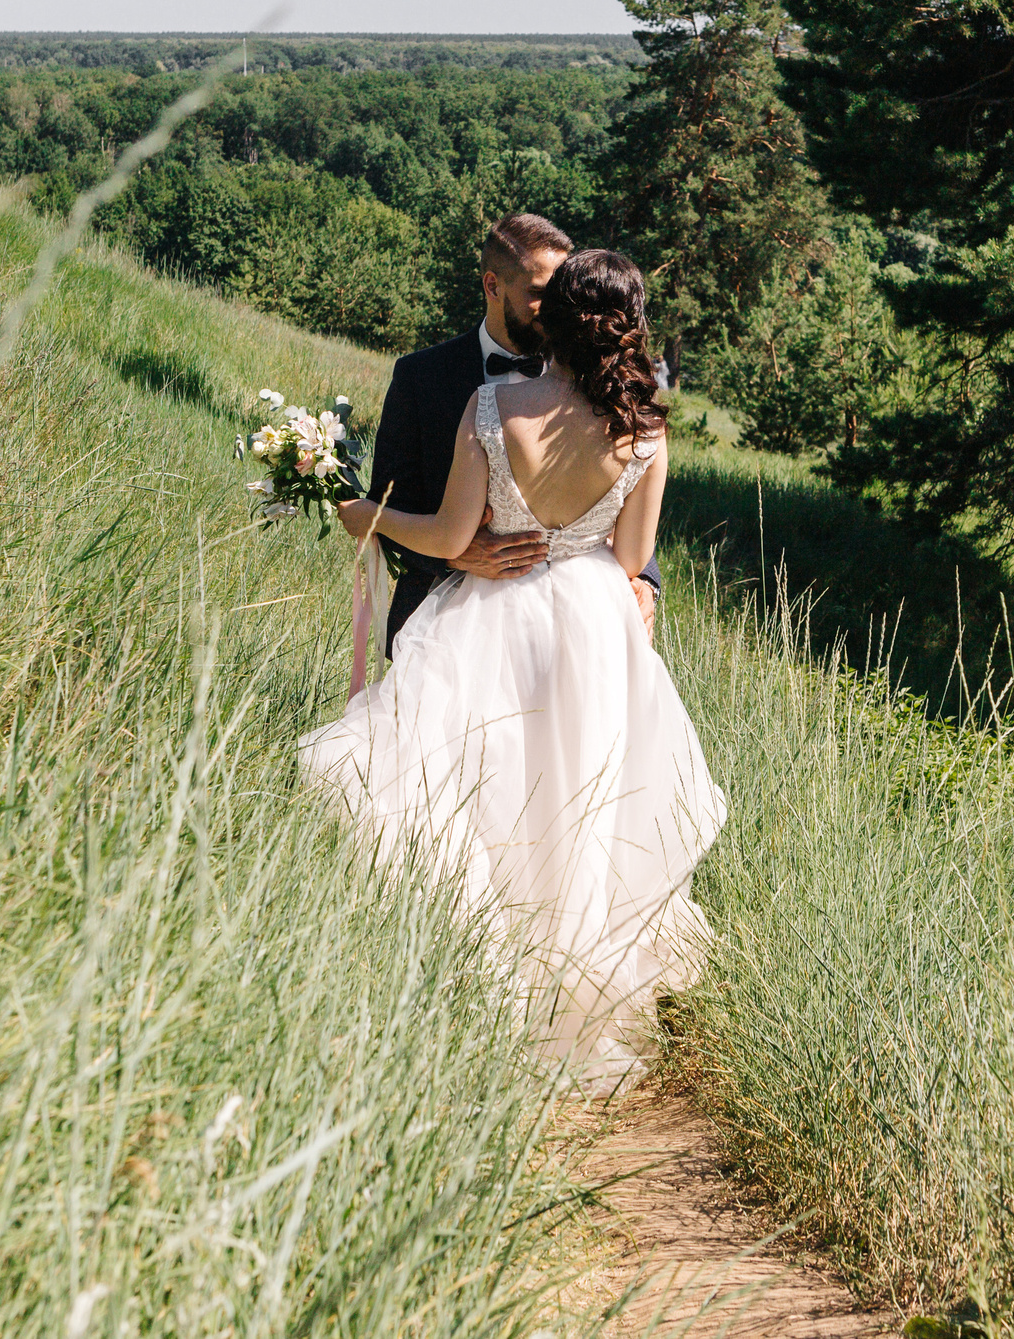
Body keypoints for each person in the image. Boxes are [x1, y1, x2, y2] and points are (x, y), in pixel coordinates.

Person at [301, 249, 724, 1082]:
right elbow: (634, 560)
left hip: (493, 617)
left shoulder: (493, 406)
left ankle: (482, 982)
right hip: (596, 631)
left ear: (552, 318)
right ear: (629, 326)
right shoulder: (646, 430)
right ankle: (571, 988)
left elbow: (452, 540)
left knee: (487, 795)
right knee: (580, 805)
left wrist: (370, 516)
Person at [365, 214, 660, 655]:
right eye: (542, 294)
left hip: (571, 636)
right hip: (441, 633)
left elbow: (629, 487)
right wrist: (452, 553)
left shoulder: (603, 387)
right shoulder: (421, 376)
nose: (561, 310)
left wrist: (645, 583)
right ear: (493, 286)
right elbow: (390, 501)